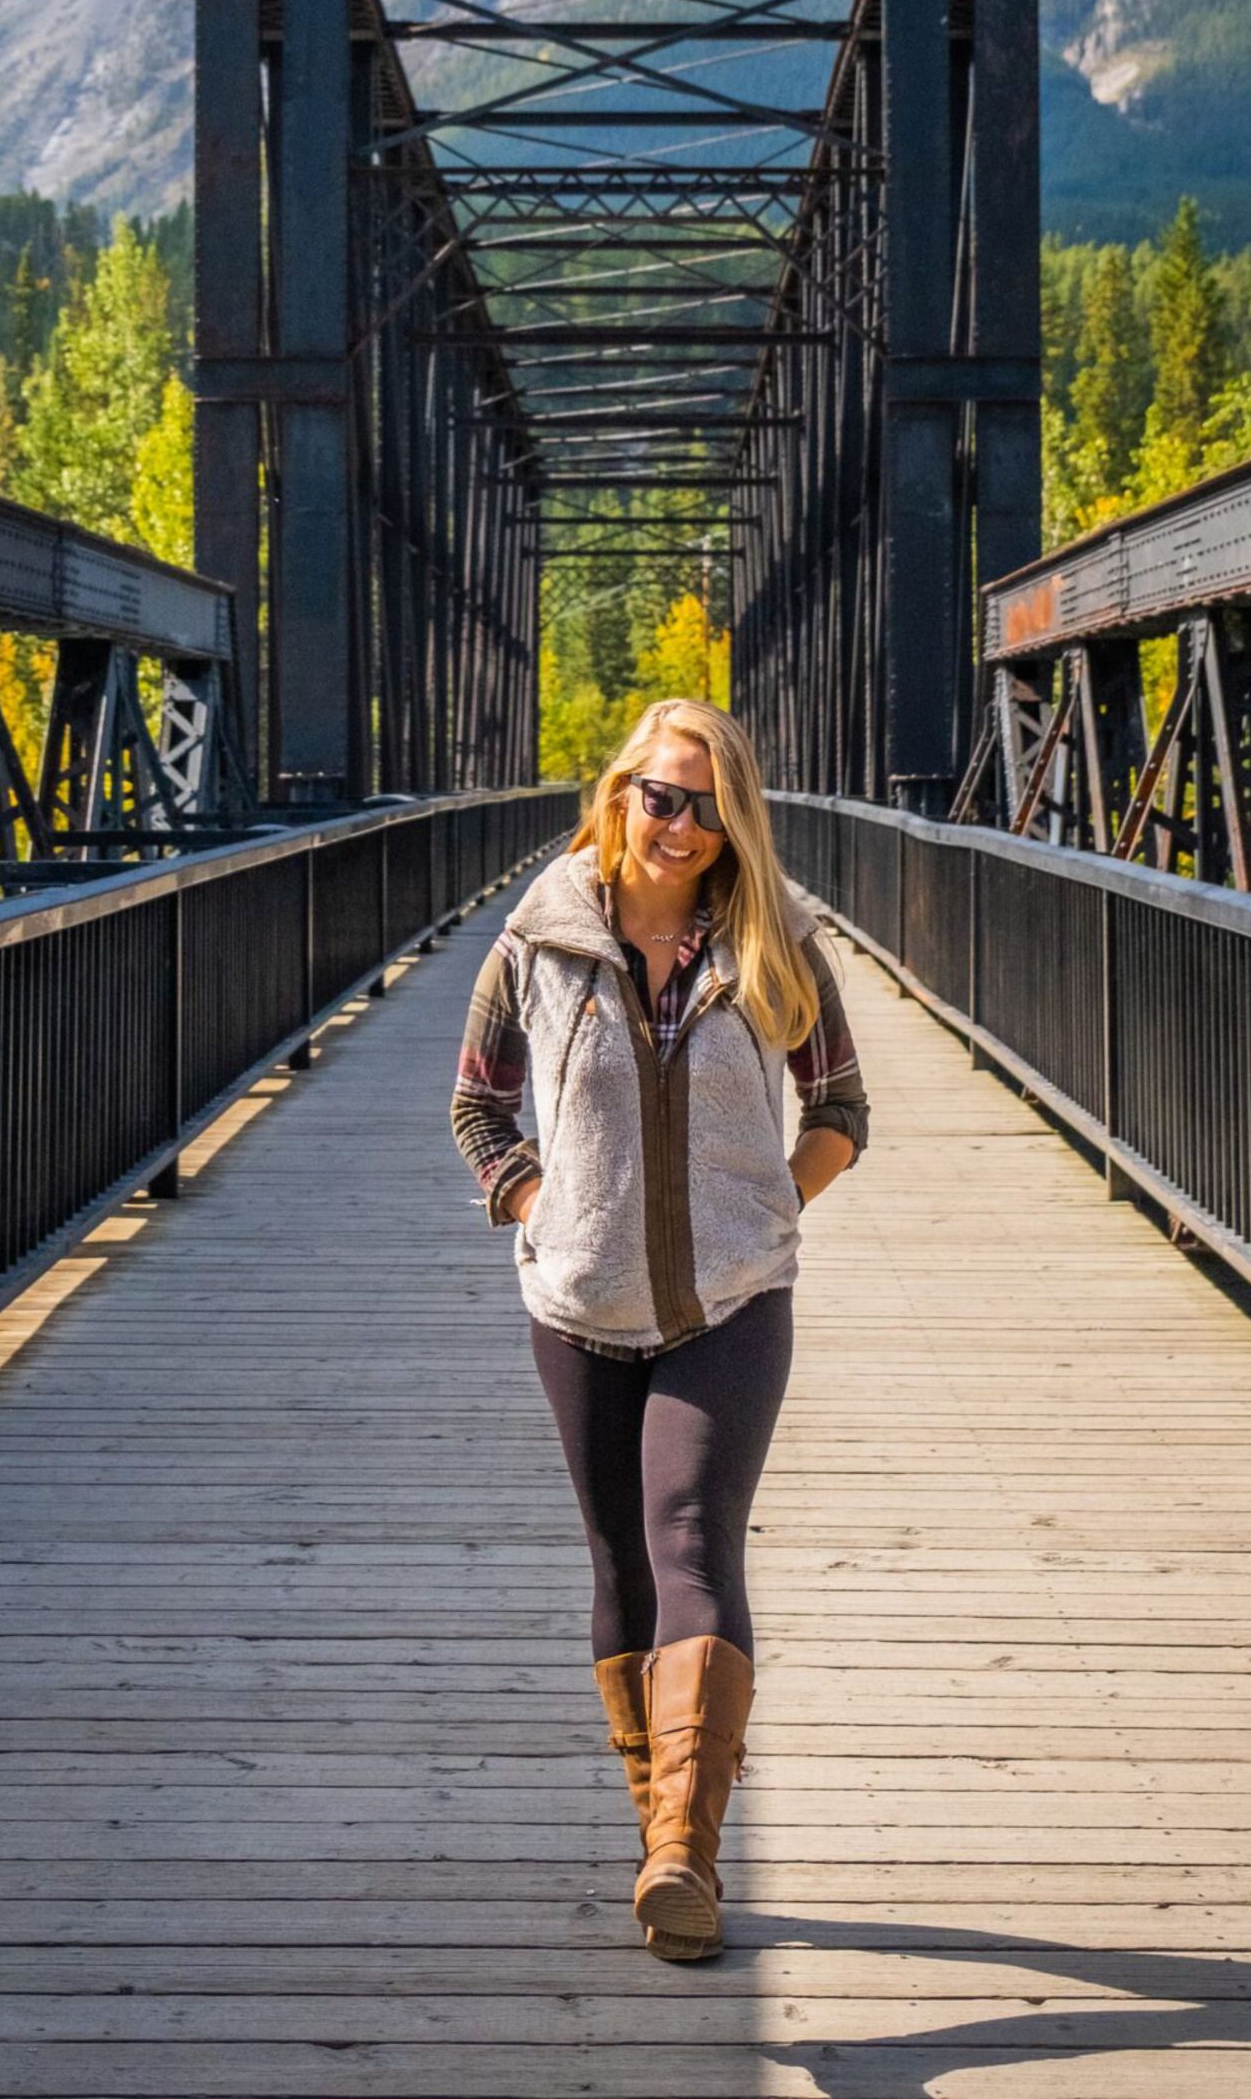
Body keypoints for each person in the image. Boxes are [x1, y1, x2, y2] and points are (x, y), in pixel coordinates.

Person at [450, 696, 868, 1963]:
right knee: (616, 1561)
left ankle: (685, 1847)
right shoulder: (537, 935)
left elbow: (840, 1100)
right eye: (659, 795)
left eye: (706, 804)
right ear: (618, 791)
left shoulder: (773, 940)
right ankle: (660, 1830)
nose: (677, 824)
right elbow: (477, 1105)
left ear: (734, 819)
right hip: (576, 1301)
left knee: (689, 1533)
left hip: (728, 1301)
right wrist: (541, 1205)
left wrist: (767, 1203)